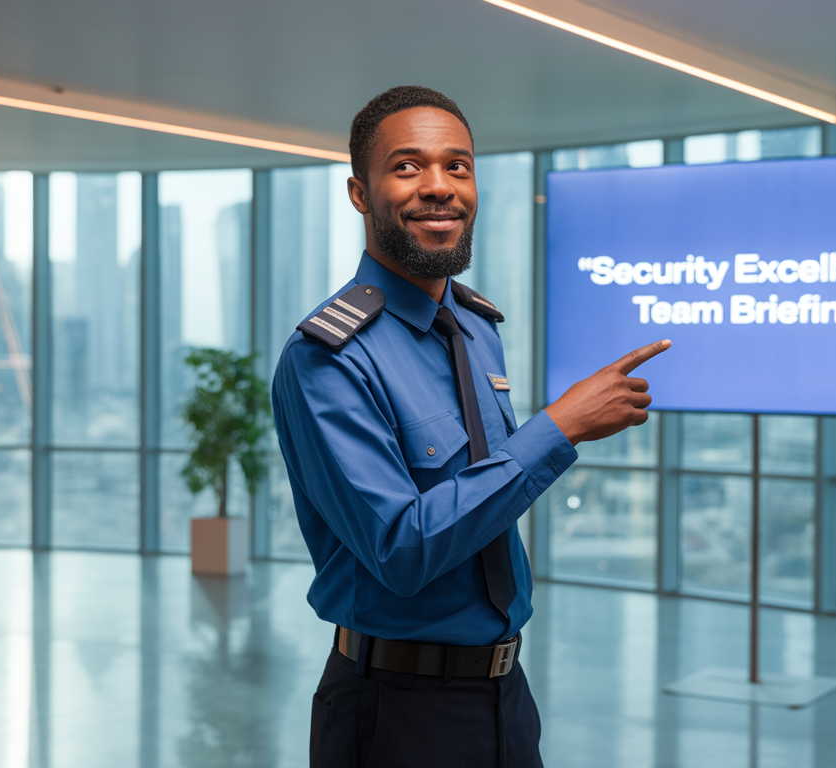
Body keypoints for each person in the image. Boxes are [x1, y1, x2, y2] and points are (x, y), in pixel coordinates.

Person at [271, 85, 670, 768]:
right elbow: (400, 548)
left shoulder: (478, 329)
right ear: (359, 194)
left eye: (458, 166)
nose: (439, 187)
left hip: (505, 696)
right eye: (407, 167)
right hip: (395, 710)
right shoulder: (328, 359)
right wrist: (558, 427)